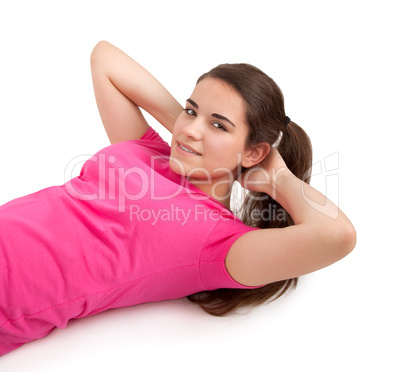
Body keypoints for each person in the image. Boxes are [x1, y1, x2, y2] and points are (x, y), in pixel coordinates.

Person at [0, 41, 356, 355]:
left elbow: (337, 236)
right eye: (191, 109)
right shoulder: (151, 152)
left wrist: (277, 177)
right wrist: (188, 132)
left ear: (254, 152)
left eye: (220, 125)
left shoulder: (219, 243)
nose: (190, 127)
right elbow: (105, 58)